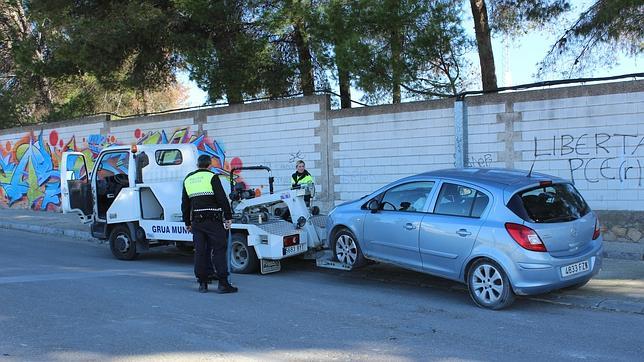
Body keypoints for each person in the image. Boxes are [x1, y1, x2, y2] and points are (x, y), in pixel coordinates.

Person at [182, 154, 237, 294]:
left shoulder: (188, 179)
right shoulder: (212, 177)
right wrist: (228, 217)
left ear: (197, 165)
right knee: (219, 249)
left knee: (200, 252)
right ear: (209, 165)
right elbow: (222, 199)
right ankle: (223, 284)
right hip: (213, 220)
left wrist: (187, 222)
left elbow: (185, 204)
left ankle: (202, 283)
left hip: (197, 222)